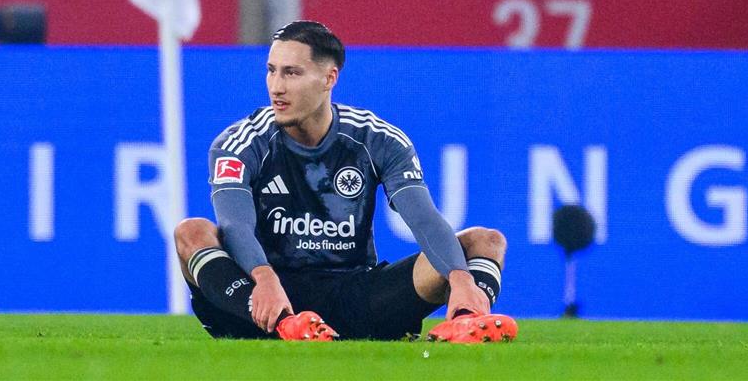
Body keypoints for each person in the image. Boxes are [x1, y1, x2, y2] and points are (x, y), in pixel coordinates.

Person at [174, 21, 516, 342]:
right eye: (271, 70)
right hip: (266, 298)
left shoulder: (377, 139)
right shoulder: (241, 142)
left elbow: (423, 219)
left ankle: (467, 321)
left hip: (355, 296)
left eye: (292, 73)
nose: (276, 86)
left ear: (329, 77)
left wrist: (460, 278)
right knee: (191, 232)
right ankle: (286, 326)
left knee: (485, 241)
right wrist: (264, 278)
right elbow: (235, 225)